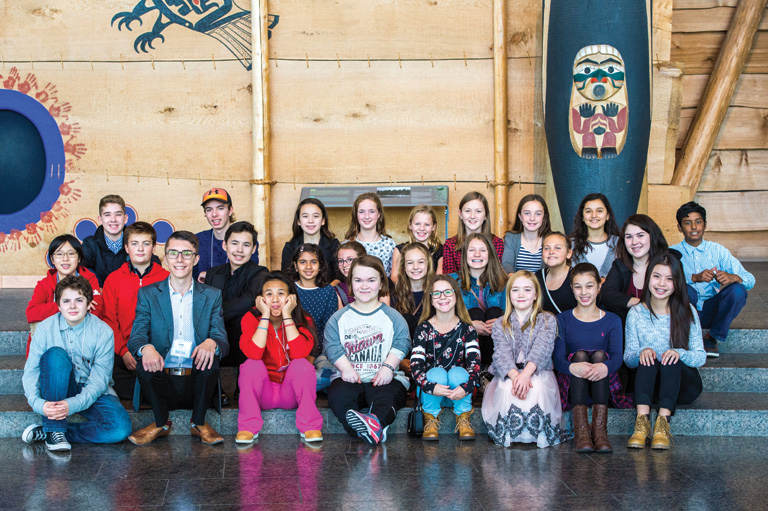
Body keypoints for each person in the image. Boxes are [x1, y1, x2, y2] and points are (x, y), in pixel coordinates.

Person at [126, 231, 229, 446]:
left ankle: (199, 423)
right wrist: (146, 348)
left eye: (186, 254)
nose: (179, 259)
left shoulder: (212, 295)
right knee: (144, 363)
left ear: (196, 259)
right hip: (163, 378)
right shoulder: (148, 294)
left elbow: (221, 339)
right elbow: (136, 336)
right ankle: (160, 423)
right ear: (165, 258)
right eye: (173, 253)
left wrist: (212, 343)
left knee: (211, 358)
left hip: (196, 381)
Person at [21, 275, 132, 452]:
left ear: (89, 304)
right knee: (55, 355)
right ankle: (55, 430)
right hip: (57, 386)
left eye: (79, 300)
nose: (72, 306)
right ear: (58, 306)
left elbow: (99, 380)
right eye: (66, 301)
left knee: (120, 429)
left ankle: (50, 431)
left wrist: (71, 405)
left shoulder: (103, 332)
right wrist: (38, 404)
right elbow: (31, 372)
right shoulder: (44, 329)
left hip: (94, 390)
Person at [324, 256, 411, 445]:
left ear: (381, 283)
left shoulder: (392, 316)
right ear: (350, 284)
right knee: (338, 397)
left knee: (388, 399)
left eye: (371, 280)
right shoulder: (339, 318)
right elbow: (331, 345)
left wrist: (388, 367)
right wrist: (346, 368)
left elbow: (402, 342)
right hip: (349, 378)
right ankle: (368, 430)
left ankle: (375, 423)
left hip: (384, 378)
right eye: (358, 280)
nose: (364, 286)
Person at [624, 253, 705, 449]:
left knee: (671, 358)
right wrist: (641, 352)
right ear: (648, 278)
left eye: (669, 279)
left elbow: (700, 356)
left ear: (677, 283)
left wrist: (679, 352)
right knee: (648, 357)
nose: (662, 284)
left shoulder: (688, 311)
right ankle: (641, 425)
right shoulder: (635, 313)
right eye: (657, 276)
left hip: (681, 386)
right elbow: (628, 358)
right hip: (649, 386)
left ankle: (662, 425)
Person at [481, 271, 567, 448]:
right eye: (515, 290)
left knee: (537, 388)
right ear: (509, 295)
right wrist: (515, 377)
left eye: (527, 290)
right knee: (507, 388)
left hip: (536, 371)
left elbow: (541, 350)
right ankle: (511, 433)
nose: (521, 295)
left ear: (536, 295)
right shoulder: (500, 323)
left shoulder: (546, 320)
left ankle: (537, 433)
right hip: (509, 373)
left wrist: (526, 375)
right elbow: (501, 354)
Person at [237, 272, 323, 444]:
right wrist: (265, 317)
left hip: (289, 392)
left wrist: (287, 316)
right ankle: (248, 427)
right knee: (250, 365)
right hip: (264, 393)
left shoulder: (303, 320)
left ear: (291, 298)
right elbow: (254, 353)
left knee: (302, 365)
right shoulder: (250, 318)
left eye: (281, 293)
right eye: (269, 294)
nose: (275, 299)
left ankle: (309, 426)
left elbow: (299, 354)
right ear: (260, 299)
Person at [554, 263, 629, 453]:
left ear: (599, 286)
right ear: (571, 288)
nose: (583, 292)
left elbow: (618, 357)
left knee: (599, 355)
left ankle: (599, 431)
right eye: (578, 286)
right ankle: (581, 432)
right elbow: (558, 359)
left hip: (602, 384)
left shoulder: (612, 320)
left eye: (589, 286)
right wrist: (573, 368)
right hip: (573, 385)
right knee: (578, 355)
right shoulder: (562, 319)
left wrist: (604, 367)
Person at [671, 201, 755, 357]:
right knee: (687, 291)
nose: (694, 227)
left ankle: (712, 337)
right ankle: (689, 336)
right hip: (685, 312)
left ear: (705, 225)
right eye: (687, 223)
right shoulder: (672, 252)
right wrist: (693, 278)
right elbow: (662, 285)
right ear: (679, 227)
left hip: (712, 310)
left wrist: (733, 277)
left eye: (698, 222)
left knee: (738, 289)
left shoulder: (718, 251)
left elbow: (750, 280)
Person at [102, 222, 169, 401]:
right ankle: (149, 391)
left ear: (154, 248)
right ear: (126, 247)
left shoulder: (166, 278)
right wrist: (124, 351)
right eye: (134, 243)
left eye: (146, 243)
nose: (140, 249)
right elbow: (109, 320)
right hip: (125, 352)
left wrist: (151, 350)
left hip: (158, 351)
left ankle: (146, 390)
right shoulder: (113, 279)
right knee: (105, 365)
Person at [410, 275, 481, 441]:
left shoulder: (468, 329)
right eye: (437, 293)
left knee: (458, 372)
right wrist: (429, 386)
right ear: (431, 300)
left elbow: (475, 365)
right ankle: (430, 419)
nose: (442, 297)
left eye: (448, 292)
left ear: (456, 296)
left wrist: (466, 386)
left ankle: (463, 418)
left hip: (460, 393)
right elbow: (415, 365)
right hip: (431, 393)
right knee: (436, 372)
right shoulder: (423, 329)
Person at [204, 221, 268, 405]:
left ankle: (243, 386)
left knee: (245, 317)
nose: (239, 250)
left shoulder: (260, 273)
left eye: (246, 245)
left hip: (245, 340)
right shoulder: (213, 273)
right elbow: (205, 304)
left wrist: (214, 313)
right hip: (218, 336)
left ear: (254, 248)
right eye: (234, 243)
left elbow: (248, 301)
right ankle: (216, 389)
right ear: (224, 245)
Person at [26, 235, 103, 357]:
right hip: (53, 341)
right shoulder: (44, 284)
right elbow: (31, 313)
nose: (65, 259)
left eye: (71, 254)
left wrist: (60, 309)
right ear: (52, 259)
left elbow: (96, 310)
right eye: (59, 254)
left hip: (82, 338)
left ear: (79, 258)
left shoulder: (89, 278)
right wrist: (68, 306)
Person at [285, 243, 342, 391]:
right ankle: (299, 384)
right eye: (303, 262)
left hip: (320, 351)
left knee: (333, 373)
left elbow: (327, 328)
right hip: (290, 349)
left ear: (321, 266)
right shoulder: (288, 290)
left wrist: (311, 355)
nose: (308, 266)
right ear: (296, 266)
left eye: (314, 262)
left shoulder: (328, 291)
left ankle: (297, 386)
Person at [450, 233, 507, 366]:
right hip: (463, 344)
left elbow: (516, 316)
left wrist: (502, 322)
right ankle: (476, 370)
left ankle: (491, 370)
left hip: (498, 344)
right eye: (472, 250)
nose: (477, 254)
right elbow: (441, 319)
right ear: (465, 255)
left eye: (482, 250)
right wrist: (468, 325)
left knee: (495, 311)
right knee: (474, 313)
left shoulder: (504, 282)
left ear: (490, 254)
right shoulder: (451, 281)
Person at [601, 214, 669, 323]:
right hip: (628, 327)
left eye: (640, 235)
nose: (634, 242)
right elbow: (606, 293)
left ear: (652, 236)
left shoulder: (667, 264)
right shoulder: (620, 265)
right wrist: (634, 302)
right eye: (629, 237)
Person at [194, 187, 258, 282]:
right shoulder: (197, 240)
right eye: (209, 210)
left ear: (230, 210)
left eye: (220, 208)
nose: (214, 214)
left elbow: (247, 276)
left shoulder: (246, 239)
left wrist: (211, 276)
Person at [442, 192, 504, 274]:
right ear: (460, 214)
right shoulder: (450, 245)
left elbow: (496, 274)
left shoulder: (497, 243)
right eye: (467, 211)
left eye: (478, 211)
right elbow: (450, 278)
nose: (472, 216)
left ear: (486, 215)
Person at [281, 198, 341, 278]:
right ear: (298, 221)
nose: (310, 221)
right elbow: (286, 278)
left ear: (323, 220)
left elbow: (339, 277)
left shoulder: (334, 245)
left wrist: (326, 290)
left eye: (316, 216)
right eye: (305, 216)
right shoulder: (290, 247)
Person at [344, 192, 397, 276]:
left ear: (379, 214)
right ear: (356, 214)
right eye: (361, 212)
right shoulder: (346, 245)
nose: (367, 216)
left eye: (371, 211)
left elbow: (393, 278)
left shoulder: (389, 244)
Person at [82, 194, 129, 286]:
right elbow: (82, 274)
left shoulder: (136, 243)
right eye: (107, 215)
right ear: (100, 219)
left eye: (118, 214)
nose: (113, 220)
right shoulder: (90, 244)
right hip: (99, 297)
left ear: (125, 218)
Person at [570, 193, 620, 278]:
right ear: (582, 217)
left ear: (607, 216)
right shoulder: (571, 244)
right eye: (588, 211)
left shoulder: (619, 243)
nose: (594, 215)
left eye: (599, 211)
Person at [391, 205, 444, 282]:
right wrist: (408, 290)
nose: (422, 228)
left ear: (433, 227)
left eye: (427, 224)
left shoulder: (439, 249)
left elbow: (439, 277)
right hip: (406, 292)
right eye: (417, 224)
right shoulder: (400, 250)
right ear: (410, 225)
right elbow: (395, 277)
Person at [392, 243, 435, 338]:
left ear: (428, 264)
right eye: (410, 263)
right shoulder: (395, 296)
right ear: (403, 267)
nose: (415, 267)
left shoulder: (437, 294)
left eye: (421, 262)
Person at [501, 194, 551, 274]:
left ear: (544, 217)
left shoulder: (550, 239)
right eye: (527, 213)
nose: (532, 218)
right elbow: (507, 264)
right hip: (516, 284)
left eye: (538, 214)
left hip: (542, 286)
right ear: (520, 216)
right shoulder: (511, 238)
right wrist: (515, 282)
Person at [536, 231, 578, 315]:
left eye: (557, 248)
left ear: (569, 253)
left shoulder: (576, 277)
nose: (551, 252)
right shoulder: (538, 276)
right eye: (547, 248)